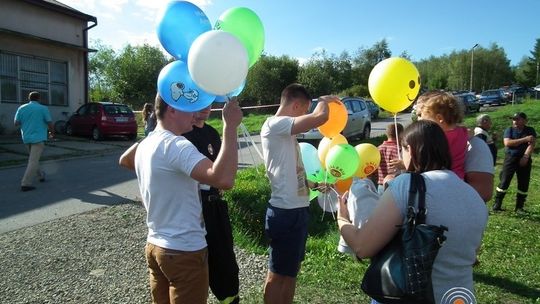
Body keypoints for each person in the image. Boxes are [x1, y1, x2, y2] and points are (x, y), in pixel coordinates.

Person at [337, 120, 488, 303]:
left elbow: (362, 247)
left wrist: (342, 219)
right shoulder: (472, 195)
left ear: (412, 150)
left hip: (410, 295)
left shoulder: (409, 185)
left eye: (403, 149)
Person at [132, 94, 242, 304]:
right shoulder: (177, 146)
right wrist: (230, 127)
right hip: (183, 250)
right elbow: (224, 180)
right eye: (189, 107)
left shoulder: (147, 144)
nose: (194, 114)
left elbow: (126, 161)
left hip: (156, 245)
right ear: (172, 109)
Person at [261, 83, 330, 304]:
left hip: (297, 209)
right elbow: (319, 119)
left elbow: (290, 171)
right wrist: (326, 102)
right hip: (284, 212)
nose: (305, 116)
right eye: (304, 110)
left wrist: (312, 184)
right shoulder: (275, 124)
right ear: (296, 105)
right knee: (278, 273)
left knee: (291, 272)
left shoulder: (285, 135)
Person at [182, 105, 240, 304]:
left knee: (225, 264)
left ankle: (230, 299)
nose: (206, 107)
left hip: (215, 207)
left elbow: (223, 170)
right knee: (193, 271)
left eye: (209, 102)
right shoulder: (182, 135)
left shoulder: (212, 133)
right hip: (193, 211)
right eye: (199, 102)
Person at [415, 91, 468, 179]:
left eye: (423, 118)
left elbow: (425, 160)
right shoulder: (463, 131)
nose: (420, 121)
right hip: (459, 177)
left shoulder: (438, 138)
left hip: (439, 179)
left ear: (439, 118)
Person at [492, 112, 536, 213]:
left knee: (524, 183)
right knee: (504, 181)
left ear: (525, 120)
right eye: (514, 119)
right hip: (510, 158)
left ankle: (519, 207)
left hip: (524, 158)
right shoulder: (509, 130)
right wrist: (525, 139)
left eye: (517, 119)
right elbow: (507, 143)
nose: (515, 121)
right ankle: (497, 205)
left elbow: (532, 144)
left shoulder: (530, 130)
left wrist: (525, 157)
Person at [13, 91, 54, 192]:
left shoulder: (21, 108)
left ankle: (40, 176)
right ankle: (25, 183)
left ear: (29, 98)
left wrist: (26, 120)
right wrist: (52, 132)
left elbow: (16, 123)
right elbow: (49, 122)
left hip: (26, 138)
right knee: (33, 161)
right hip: (39, 138)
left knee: (33, 159)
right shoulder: (43, 108)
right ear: (39, 98)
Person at [377, 123, 404, 194]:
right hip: (395, 184)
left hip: (381, 185)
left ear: (387, 134)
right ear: (401, 134)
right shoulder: (399, 150)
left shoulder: (378, 149)